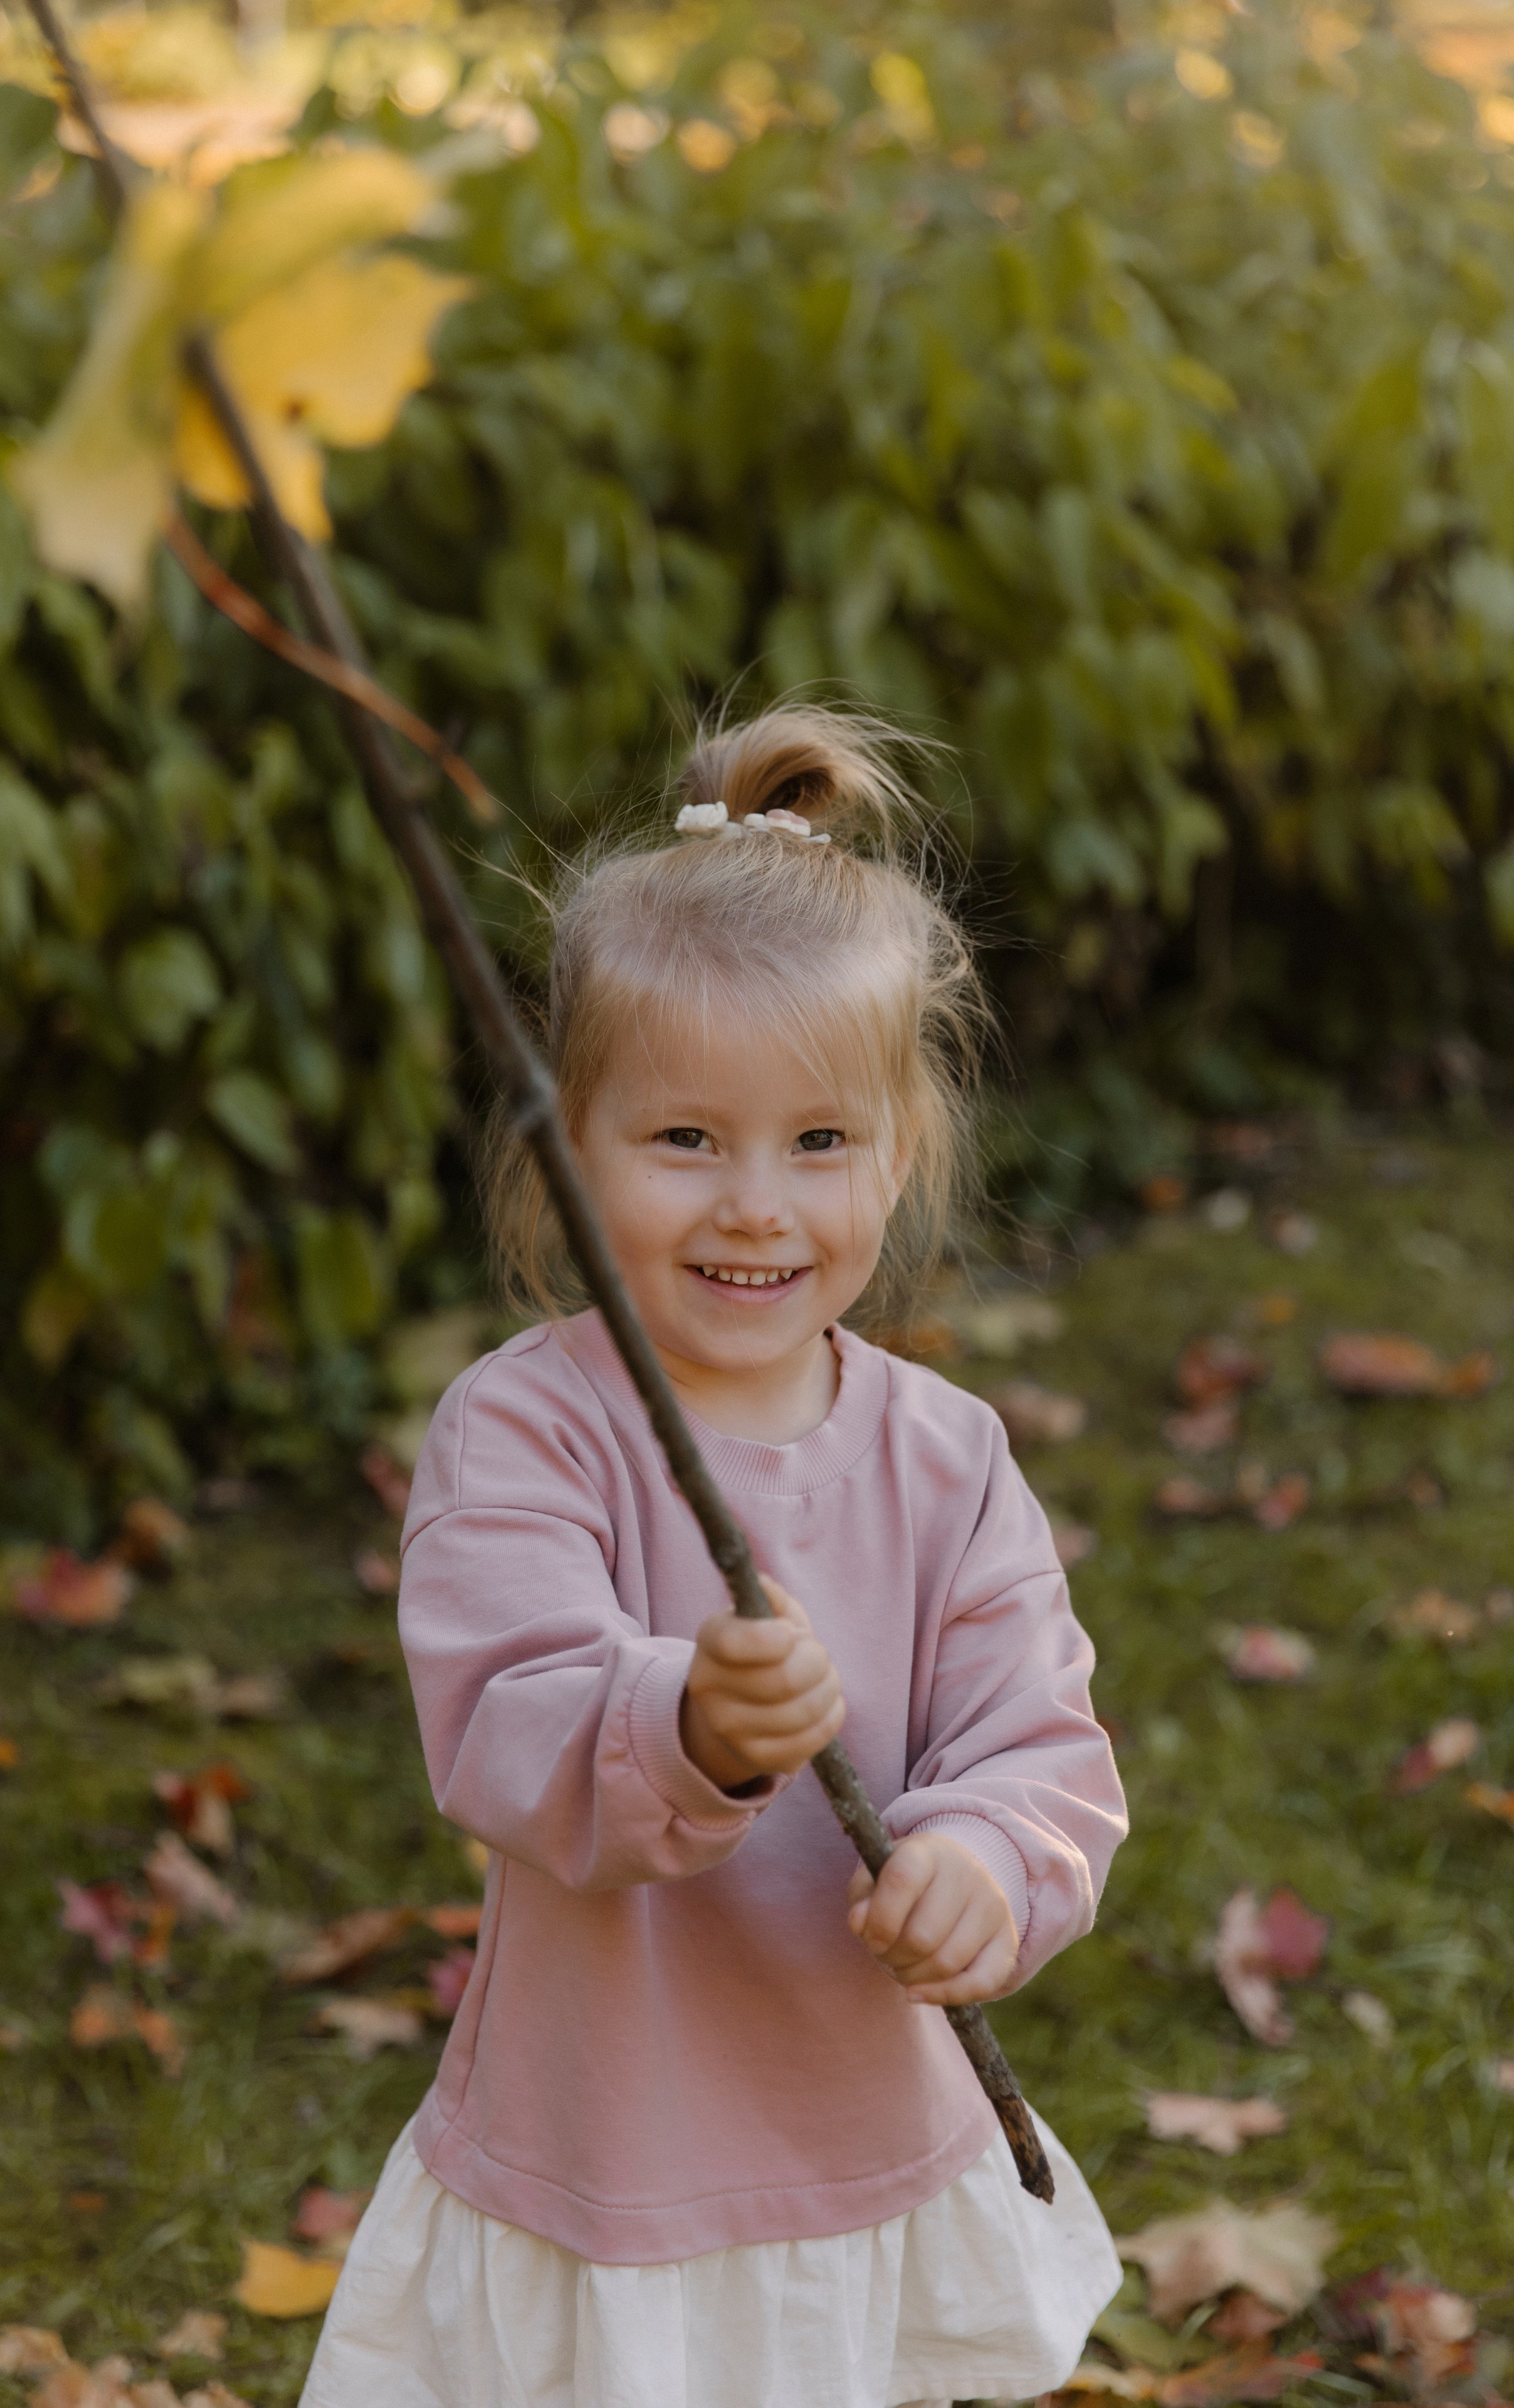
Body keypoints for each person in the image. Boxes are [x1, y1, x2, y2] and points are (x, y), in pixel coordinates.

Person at [300, 705, 1128, 2408]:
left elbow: (1038, 1743)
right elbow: (505, 1719)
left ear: (896, 1160)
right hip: (617, 2143)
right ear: (568, 1150)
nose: (757, 1204)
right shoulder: (531, 1431)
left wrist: (987, 1861)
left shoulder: (945, 1459)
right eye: (686, 1140)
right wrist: (686, 1721)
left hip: (864, 2132)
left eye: (819, 1143)